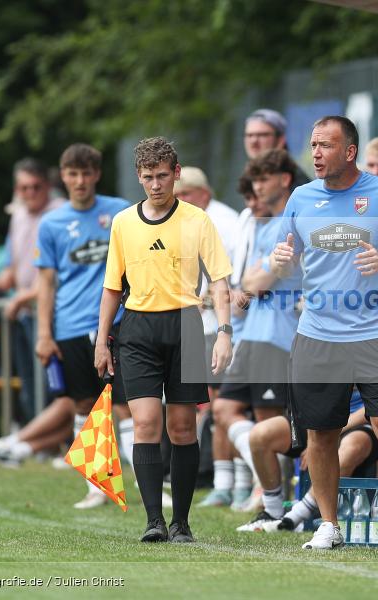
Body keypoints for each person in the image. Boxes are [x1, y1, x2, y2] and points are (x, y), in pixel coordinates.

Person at [271, 115, 378, 550]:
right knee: (321, 433)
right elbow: (285, 260)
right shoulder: (301, 197)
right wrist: (281, 261)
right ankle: (329, 525)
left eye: (325, 145)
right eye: (313, 145)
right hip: (317, 335)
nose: (316, 154)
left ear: (350, 151)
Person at [95, 137, 233, 543]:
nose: (155, 185)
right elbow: (112, 287)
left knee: (183, 427)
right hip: (137, 329)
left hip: (186, 325)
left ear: (176, 174)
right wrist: (102, 341)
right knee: (145, 423)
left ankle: (181, 523)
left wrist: (224, 332)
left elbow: (219, 281)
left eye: (162, 176)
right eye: (147, 177)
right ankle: (154, 521)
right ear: (139, 177)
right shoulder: (123, 222)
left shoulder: (197, 220)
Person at [0, 144, 135, 509]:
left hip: (116, 322)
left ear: (97, 175)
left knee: (126, 406)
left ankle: (150, 484)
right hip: (69, 327)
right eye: (73, 174)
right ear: (63, 177)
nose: (80, 181)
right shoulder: (51, 224)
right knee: (83, 405)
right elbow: (46, 282)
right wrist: (44, 335)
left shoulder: (120, 211)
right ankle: (97, 486)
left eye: (86, 173)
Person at [215, 149, 303, 511]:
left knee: (269, 420)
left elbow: (258, 282)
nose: (258, 187)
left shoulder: (295, 221)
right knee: (224, 409)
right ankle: (262, 479)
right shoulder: (267, 224)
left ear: (284, 180)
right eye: (255, 180)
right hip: (253, 332)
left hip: (278, 333)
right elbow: (249, 283)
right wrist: (258, 279)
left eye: (264, 179)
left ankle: (271, 499)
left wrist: (258, 279)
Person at [200, 172, 270, 508]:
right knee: (223, 408)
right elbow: (239, 279)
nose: (252, 204)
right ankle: (235, 483)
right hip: (238, 331)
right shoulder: (245, 219)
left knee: (262, 414)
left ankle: (263, 487)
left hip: (269, 335)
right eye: (248, 198)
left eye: (257, 197)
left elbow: (257, 281)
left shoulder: (272, 223)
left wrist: (240, 291)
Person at [236, 389, 378, 533]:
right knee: (260, 434)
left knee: (352, 446)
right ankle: (272, 512)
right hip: (319, 418)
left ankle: (295, 516)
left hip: (359, 422)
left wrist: (323, 439)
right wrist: (314, 438)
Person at [0, 159, 63, 425]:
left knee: (51, 384)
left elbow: (54, 272)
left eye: (36, 187)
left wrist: (22, 296)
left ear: (47, 186)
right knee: (29, 384)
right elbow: (12, 264)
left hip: (51, 312)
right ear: (17, 189)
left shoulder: (59, 213)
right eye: (24, 188)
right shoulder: (18, 215)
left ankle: (56, 441)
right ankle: (36, 441)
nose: (31, 193)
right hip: (24, 312)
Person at [174, 167, 239, 400]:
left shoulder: (223, 221)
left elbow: (229, 276)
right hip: (194, 322)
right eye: (177, 195)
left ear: (204, 193)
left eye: (186, 193)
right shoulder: (183, 219)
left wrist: (201, 302)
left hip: (216, 323)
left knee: (214, 398)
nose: (181, 200)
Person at [244, 108, 310, 186]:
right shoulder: (248, 177)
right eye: (249, 135)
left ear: (280, 140)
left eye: (262, 135)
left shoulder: (297, 181)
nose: (253, 141)